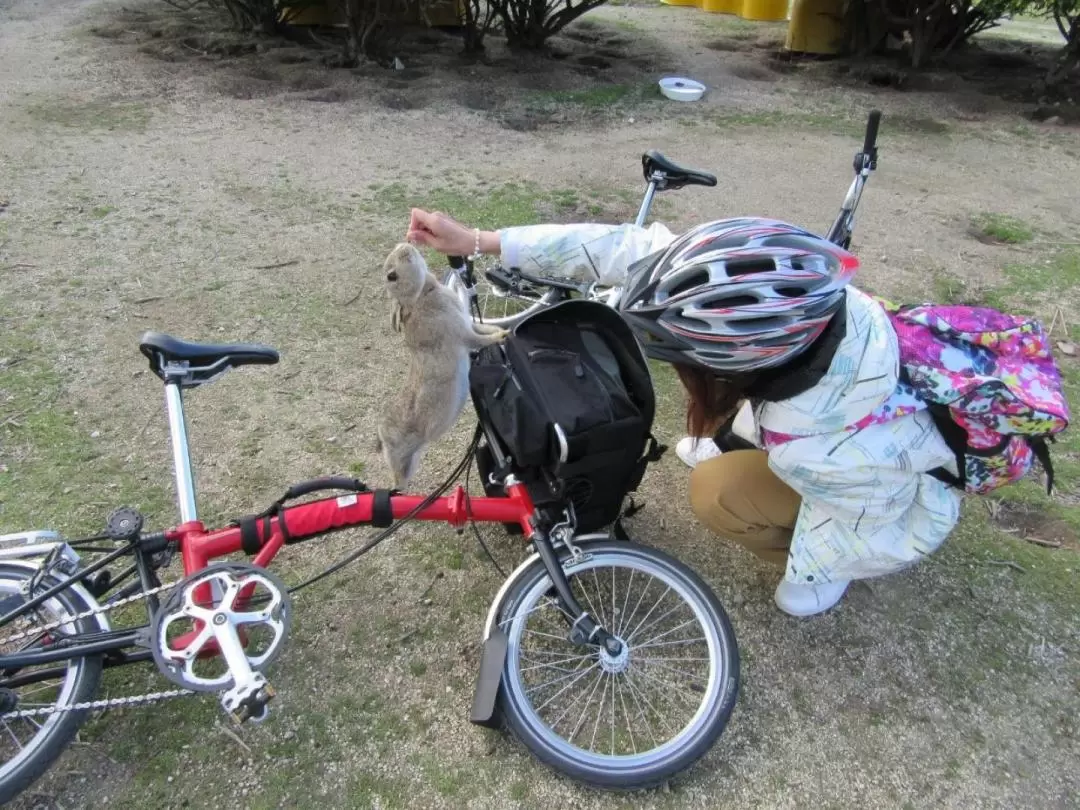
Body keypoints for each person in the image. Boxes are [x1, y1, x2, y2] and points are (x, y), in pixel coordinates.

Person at [405, 208, 963, 617]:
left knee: (719, 496)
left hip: (892, 494)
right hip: (837, 407)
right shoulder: (787, 296)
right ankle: (745, 446)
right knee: (727, 449)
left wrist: (816, 567)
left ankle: (820, 573)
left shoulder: (814, 452)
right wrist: (478, 240)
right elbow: (618, 248)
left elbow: (872, 518)